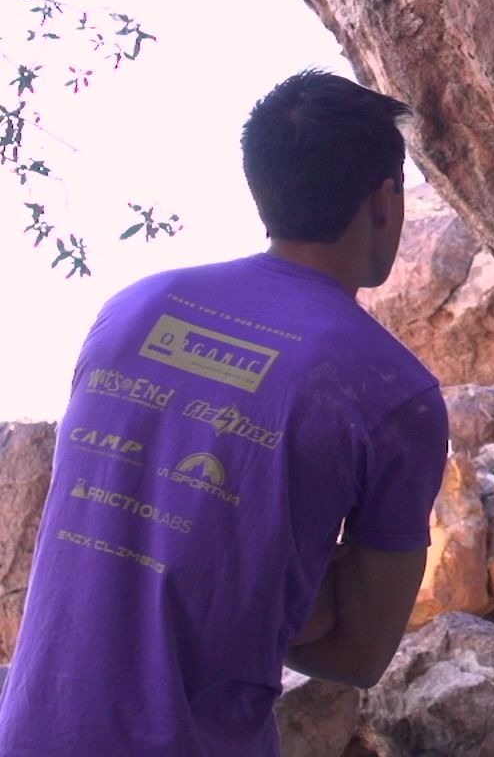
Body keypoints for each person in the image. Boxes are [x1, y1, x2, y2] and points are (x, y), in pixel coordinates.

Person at [0, 70, 449, 755]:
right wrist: (269, 585)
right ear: (385, 202)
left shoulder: (132, 311)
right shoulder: (389, 392)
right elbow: (359, 652)